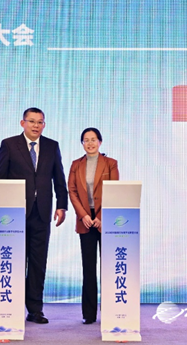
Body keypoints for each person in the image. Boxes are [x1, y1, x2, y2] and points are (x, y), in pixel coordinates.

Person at [0, 107, 68, 324]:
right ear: (23, 123)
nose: (36, 126)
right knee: (15, 261)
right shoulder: (9, 145)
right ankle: (11, 308)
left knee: (38, 263)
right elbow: (0, 179)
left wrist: (62, 206)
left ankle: (35, 310)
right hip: (15, 214)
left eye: (40, 122)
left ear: (44, 125)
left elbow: (59, 178)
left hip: (42, 213)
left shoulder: (52, 146)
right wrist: (2, 210)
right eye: (32, 121)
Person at [68, 127, 119, 325]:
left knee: (109, 267)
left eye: (93, 139)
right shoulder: (76, 164)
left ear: (100, 142)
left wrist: (101, 216)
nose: (90, 143)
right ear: (82, 143)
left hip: (105, 220)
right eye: (86, 140)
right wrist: (83, 215)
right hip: (85, 221)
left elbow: (114, 190)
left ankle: (111, 311)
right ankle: (89, 314)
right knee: (88, 269)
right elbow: (72, 191)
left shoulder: (110, 163)